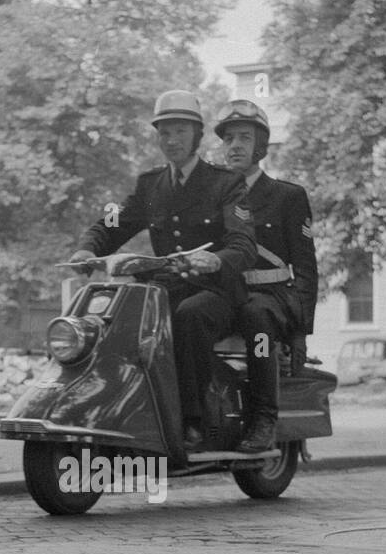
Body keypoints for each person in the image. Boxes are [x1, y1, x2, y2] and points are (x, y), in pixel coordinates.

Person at [70, 90, 256, 451]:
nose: (171, 141)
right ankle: (113, 409)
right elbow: (111, 224)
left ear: (196, 136)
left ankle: (192, 422)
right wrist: (87, 248)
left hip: (216, 291)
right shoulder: (150, 184)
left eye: (180, 132)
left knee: (188, 317)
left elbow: (244, 245)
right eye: (164, 133)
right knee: (109, 319)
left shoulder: (225, 183)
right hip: (166, 286)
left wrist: (216, 259)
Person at [215, 99, 319, 453]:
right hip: (228, 293)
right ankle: (199, 418)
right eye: (229, 139)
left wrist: (301, 329)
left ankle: (263, 420)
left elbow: (305, 266)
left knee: (256, 320)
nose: (236, 146)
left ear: (260, 145)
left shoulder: (287, 196)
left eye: (245, 138)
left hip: (273, 296)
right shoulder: (214, 195)